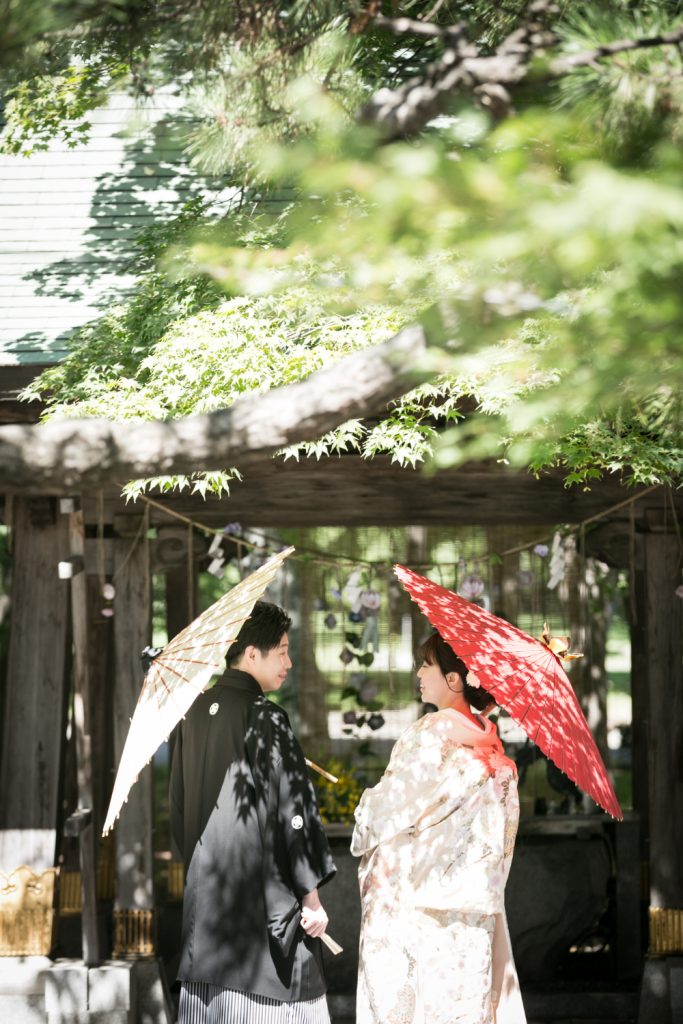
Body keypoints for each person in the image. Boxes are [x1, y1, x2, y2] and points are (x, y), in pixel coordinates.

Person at [170, 600, 336, 1024]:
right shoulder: (266, 717)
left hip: (205, 916)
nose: (290, 662)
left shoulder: (192, 715)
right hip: (258, 925)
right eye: (281, 650)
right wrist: (311, 897)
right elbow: (293, 812)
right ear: (251, 654)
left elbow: (178, 810)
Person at [351, 630, 526, 1024]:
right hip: (474, 902)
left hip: (418, 902)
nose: (418, 673)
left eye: (426, 665)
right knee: (465, 1004)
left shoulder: (431, 734)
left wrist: (363, 812)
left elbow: (388, 810)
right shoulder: (491, 745)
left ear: (454, 680)